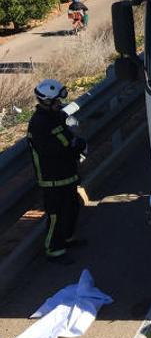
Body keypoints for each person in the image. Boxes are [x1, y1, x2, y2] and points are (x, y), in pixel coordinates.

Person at [27, 79, 86, 265]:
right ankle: (53, 249)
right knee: (56, 215)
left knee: (72, 207)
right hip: (52, 179)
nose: (59, 104)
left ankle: (67, 238)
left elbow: (67, 137)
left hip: (67, 173)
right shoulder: (39, 124)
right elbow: (53, 151)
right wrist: (76, 148)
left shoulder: (56, 116)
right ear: (46, 101)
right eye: (56, 101)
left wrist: (76, 143)